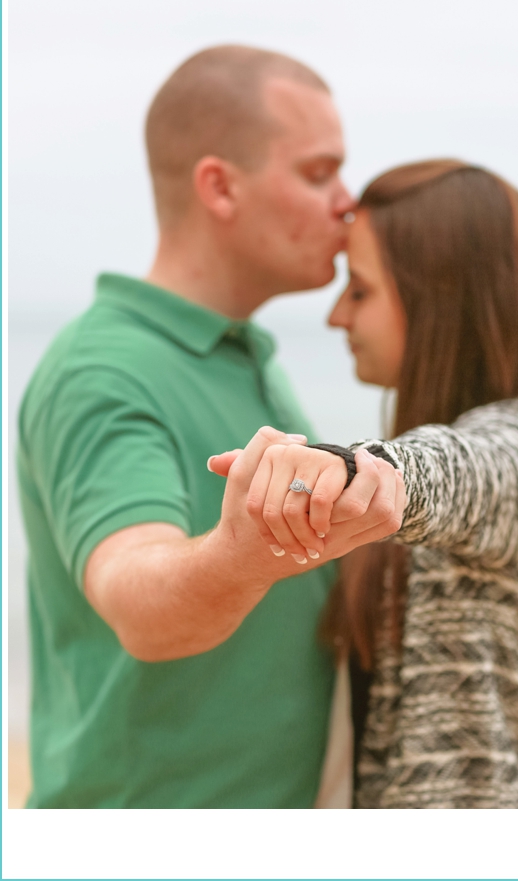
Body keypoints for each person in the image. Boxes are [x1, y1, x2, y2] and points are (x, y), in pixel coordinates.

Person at [17, 45, 405, 808]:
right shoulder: (103, 368)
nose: (346, 202)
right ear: (220, 186)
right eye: (318, 172)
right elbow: (137, 600)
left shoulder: (243, 355)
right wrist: (240, 555)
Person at [209, 161, 518, 808]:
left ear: (441, 300)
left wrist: (358, 470)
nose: (334, 315)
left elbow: (463, 469)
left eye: (359, 291)